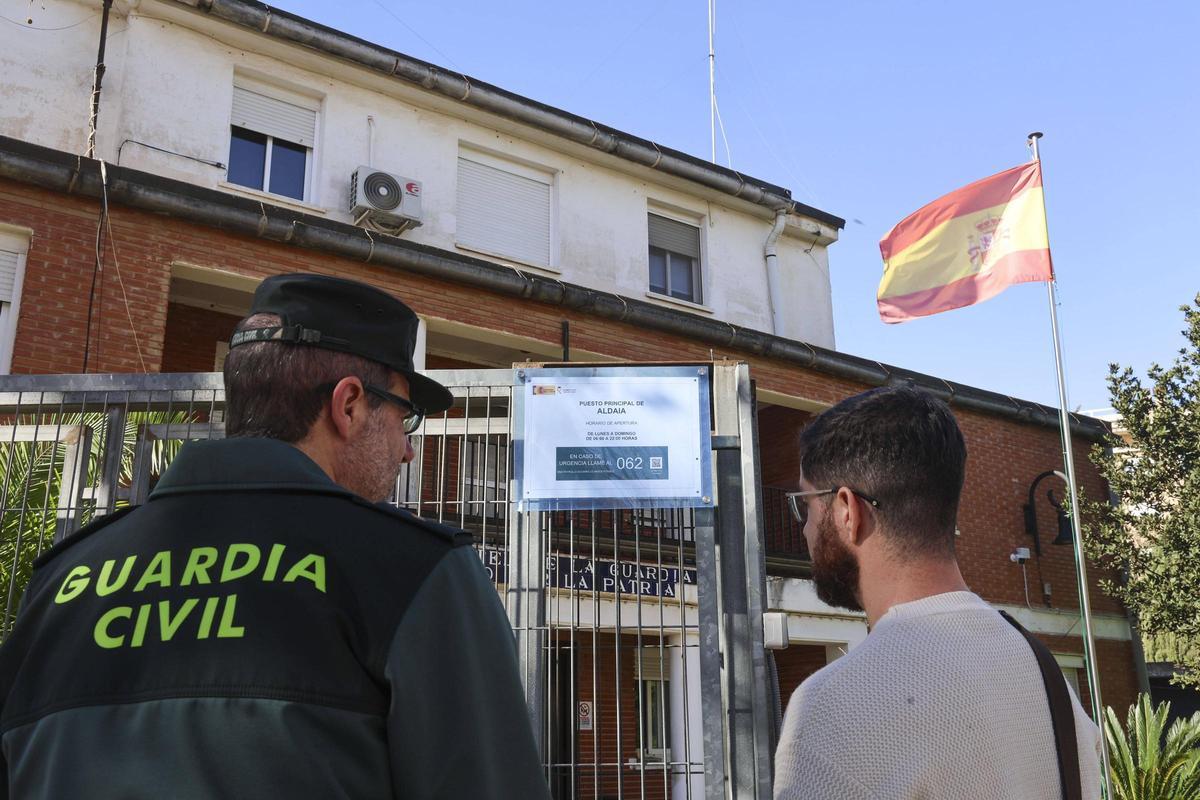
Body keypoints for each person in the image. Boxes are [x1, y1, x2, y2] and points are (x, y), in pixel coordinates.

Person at [0, 273, 550, 799]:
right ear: (349, 404)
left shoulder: (58, 582)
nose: (408, 450)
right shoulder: (416, 572)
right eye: (405, 419)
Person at [773, 386, 1102, 800]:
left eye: (807, 506)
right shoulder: (1045, 674)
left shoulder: (835, 706)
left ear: (846, 511)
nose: (804, 528)